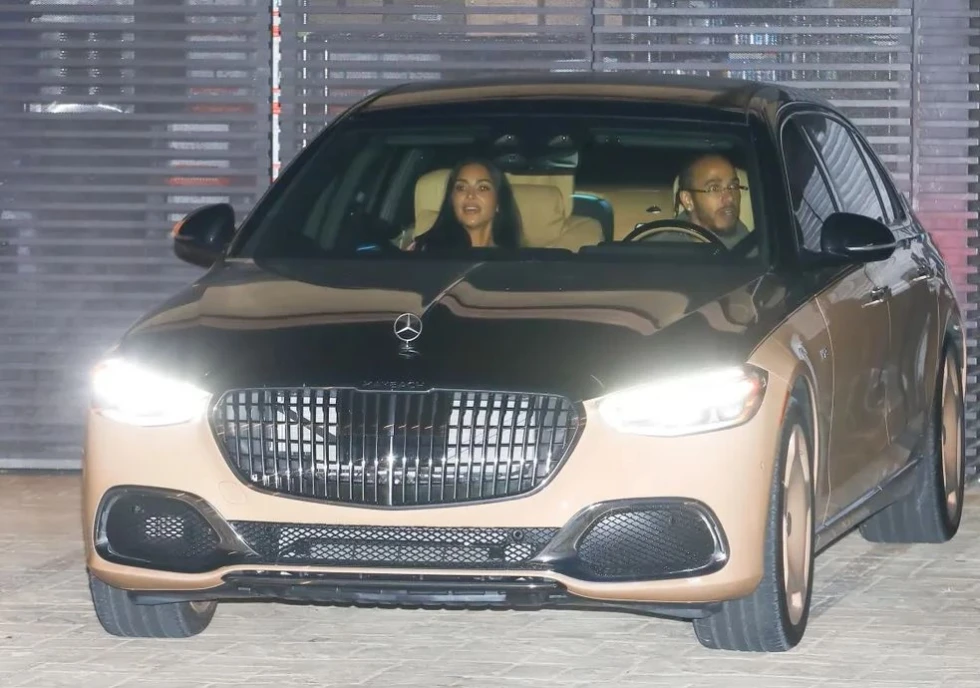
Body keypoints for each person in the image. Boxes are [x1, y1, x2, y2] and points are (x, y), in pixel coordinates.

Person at [411, 157, 522, 250]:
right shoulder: (423, 252)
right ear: (452, 199)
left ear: (498, 202)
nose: (470, 195)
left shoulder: (515, 262)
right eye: (461, 188)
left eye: (482, 188)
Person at [674, 153, 751, 248]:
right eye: (714, 189)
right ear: (688, 200)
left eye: (733, 186)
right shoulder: (665, 248)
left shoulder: (756, 247)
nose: (730, 198)